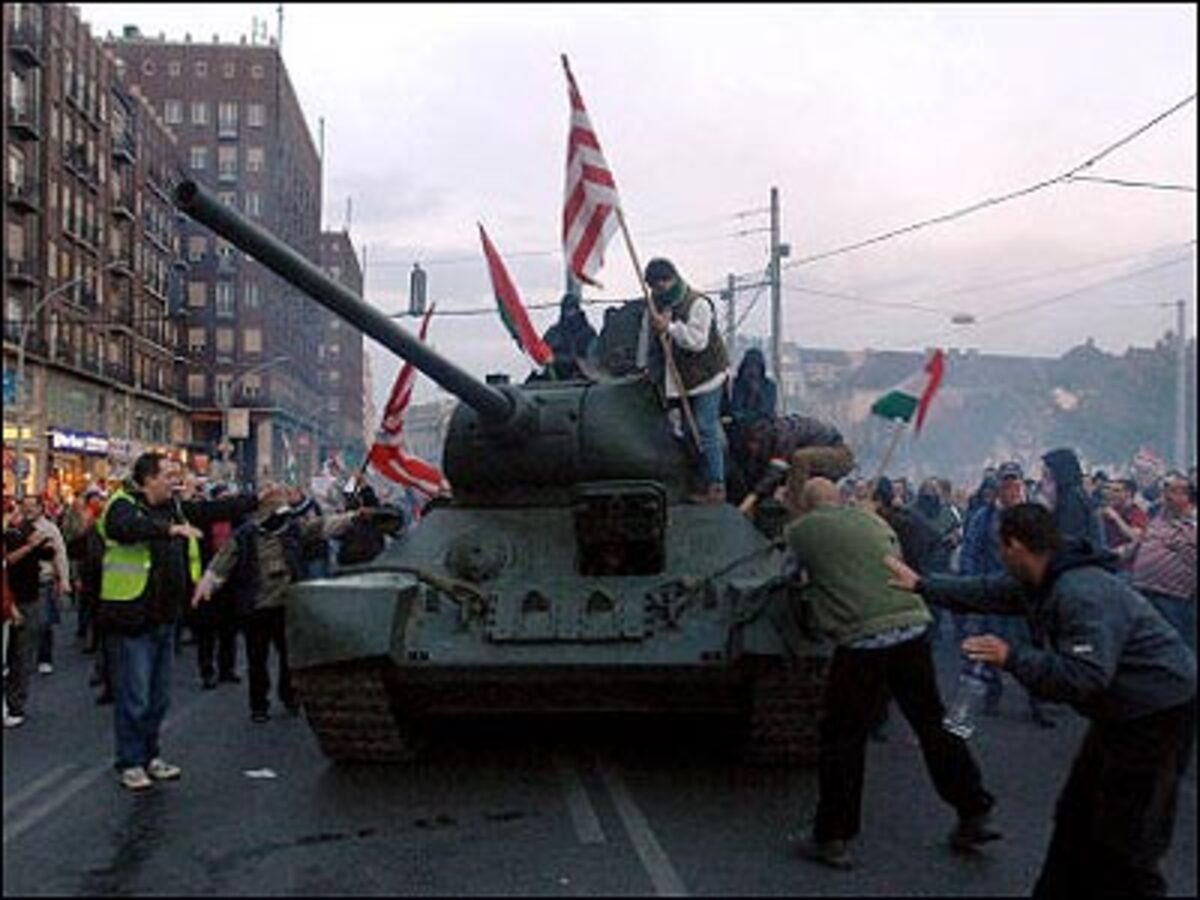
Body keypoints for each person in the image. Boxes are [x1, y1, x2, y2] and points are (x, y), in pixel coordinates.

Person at [886, 503, 1197, 897]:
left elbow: (1084, 678)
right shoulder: (1041, 577)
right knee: (1076, 817)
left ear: (1014, 546)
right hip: (1118, 712)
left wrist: (1011, 657)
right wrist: (922, 585)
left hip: (1157, 710)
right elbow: (985, 590)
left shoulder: (1080, 592)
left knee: (1128, 839)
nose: (999, 557)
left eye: (1000, 548)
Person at [784, 478, 1000, 871]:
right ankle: (974, 808)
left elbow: (790, 577)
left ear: (804, 504)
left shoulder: (800, 531)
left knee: (843, 737)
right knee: (933, 724)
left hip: (862, 638)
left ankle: (832, 835)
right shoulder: (874, 521)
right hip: (911, 626)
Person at [97, 452, 256, 791]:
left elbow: (213, 511)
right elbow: (125, 529)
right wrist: (171, 530)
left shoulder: (177, 508)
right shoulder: (122, 504)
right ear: (148, 479)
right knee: (134, 696)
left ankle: (151, 755)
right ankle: (130, 761)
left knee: (158, 697)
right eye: (168, 474)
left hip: (165, 618)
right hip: (131, 618)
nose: (175, 480)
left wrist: (257, 498)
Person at [192, 483, 365, 722]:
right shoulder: (245, 535)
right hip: (256, 606)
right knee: (257, 660)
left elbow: (322, 527)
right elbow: (223, 560)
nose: (283, 518)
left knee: (288, 658)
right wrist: (208, 582)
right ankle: (259, 705)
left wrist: (354, 517)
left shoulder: (292, 529)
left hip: (287, 604)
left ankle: (289, 696)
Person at [960, 461, 1054, 728]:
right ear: (998, 486)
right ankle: (992, 694)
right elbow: (971, 552)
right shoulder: (984, 516)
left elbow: (1048, 549)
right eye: (1006, 482)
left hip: (1028, 593)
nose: (1011, 487)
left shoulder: (1035, 514)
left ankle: (1037, 703)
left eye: (1015, 482)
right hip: (995, 591)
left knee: (1032, 647)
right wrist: (972, 586)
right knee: (990, 645)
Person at [638, 257, 730, 504]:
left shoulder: (698, 303)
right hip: (678, 379)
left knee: (704, 427)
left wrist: (670, 327)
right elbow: (649, 341)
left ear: (671, 279)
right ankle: (698, 479)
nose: (659, 291)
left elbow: (697, 342)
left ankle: (717, 484)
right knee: (687, 432)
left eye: (662, 285)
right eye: (654, 288)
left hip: (707, 375)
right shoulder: (654, 306)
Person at [733, 414, 855, 514]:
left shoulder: (783, 436)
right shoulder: (771, 438)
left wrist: (752, 498)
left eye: (755, 445)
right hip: (820, 459)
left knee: (800, 458)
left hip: (840, 454)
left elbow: (775, 472)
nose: (753, 450)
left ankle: (796, 511)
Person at [1130, 471, 1196, 652]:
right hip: (1144, 590)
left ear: (1188, 497)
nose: (1167, 496)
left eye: (1175, 491)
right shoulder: (1157, 518)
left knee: (1179, 645)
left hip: (1174, 597)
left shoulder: (1193, 521)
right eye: (1166, 491)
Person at [3, 503, 55, 728]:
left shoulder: (28, 530)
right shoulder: (8, 536)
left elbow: (49, 552)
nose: (17, 514)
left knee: (22, 655)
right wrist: (29, 546)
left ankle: (16, 704)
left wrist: (42, 544)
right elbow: (7, 562)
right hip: (11, 599)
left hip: (27, 597)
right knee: (12, 655)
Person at [26, 496, 70, 675]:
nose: (28, 510)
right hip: (22, 581)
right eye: (25, 506)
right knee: (25, 623)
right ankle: (25, 659)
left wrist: (65, 580)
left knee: (44, 622)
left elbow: (60, 554)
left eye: (32, 506)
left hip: (44, 579)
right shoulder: (16, 526)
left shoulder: (50, 529)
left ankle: (44, 658)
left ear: (40, 508)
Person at [1039, 447, 1105, 552]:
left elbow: (1067, 548)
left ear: (1061, 477)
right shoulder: (1076, 497)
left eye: (1047, 477)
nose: (1042, 485)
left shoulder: (1072, 502)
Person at [724, 347, 778, 441]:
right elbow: (736, 412)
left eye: (756, 366)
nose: (752, 370)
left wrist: (757, 393)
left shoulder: (769, 385)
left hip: (763, 428)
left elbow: (767, 411)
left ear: (761, 367)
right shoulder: (738, 384)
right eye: (749, 365)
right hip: (740, 428)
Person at [542, 291, 597, 381]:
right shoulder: (553, 333)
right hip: (556, 379)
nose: (570, 312)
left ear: (578, 309)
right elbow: (543, 354)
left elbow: (593, 357)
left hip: (582, 379)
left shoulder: (588, 333)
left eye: (573, 308)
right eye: (567, 308)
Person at [1100, 478, 1149, 569]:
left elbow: (1135, 537)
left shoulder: (1136, 513)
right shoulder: (1104, 511)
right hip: (1106, 564)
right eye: (1109, 489)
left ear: (1128, 493)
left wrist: (1116, 518)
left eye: (1116, 491)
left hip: (1126, 568)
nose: (1111, 493)